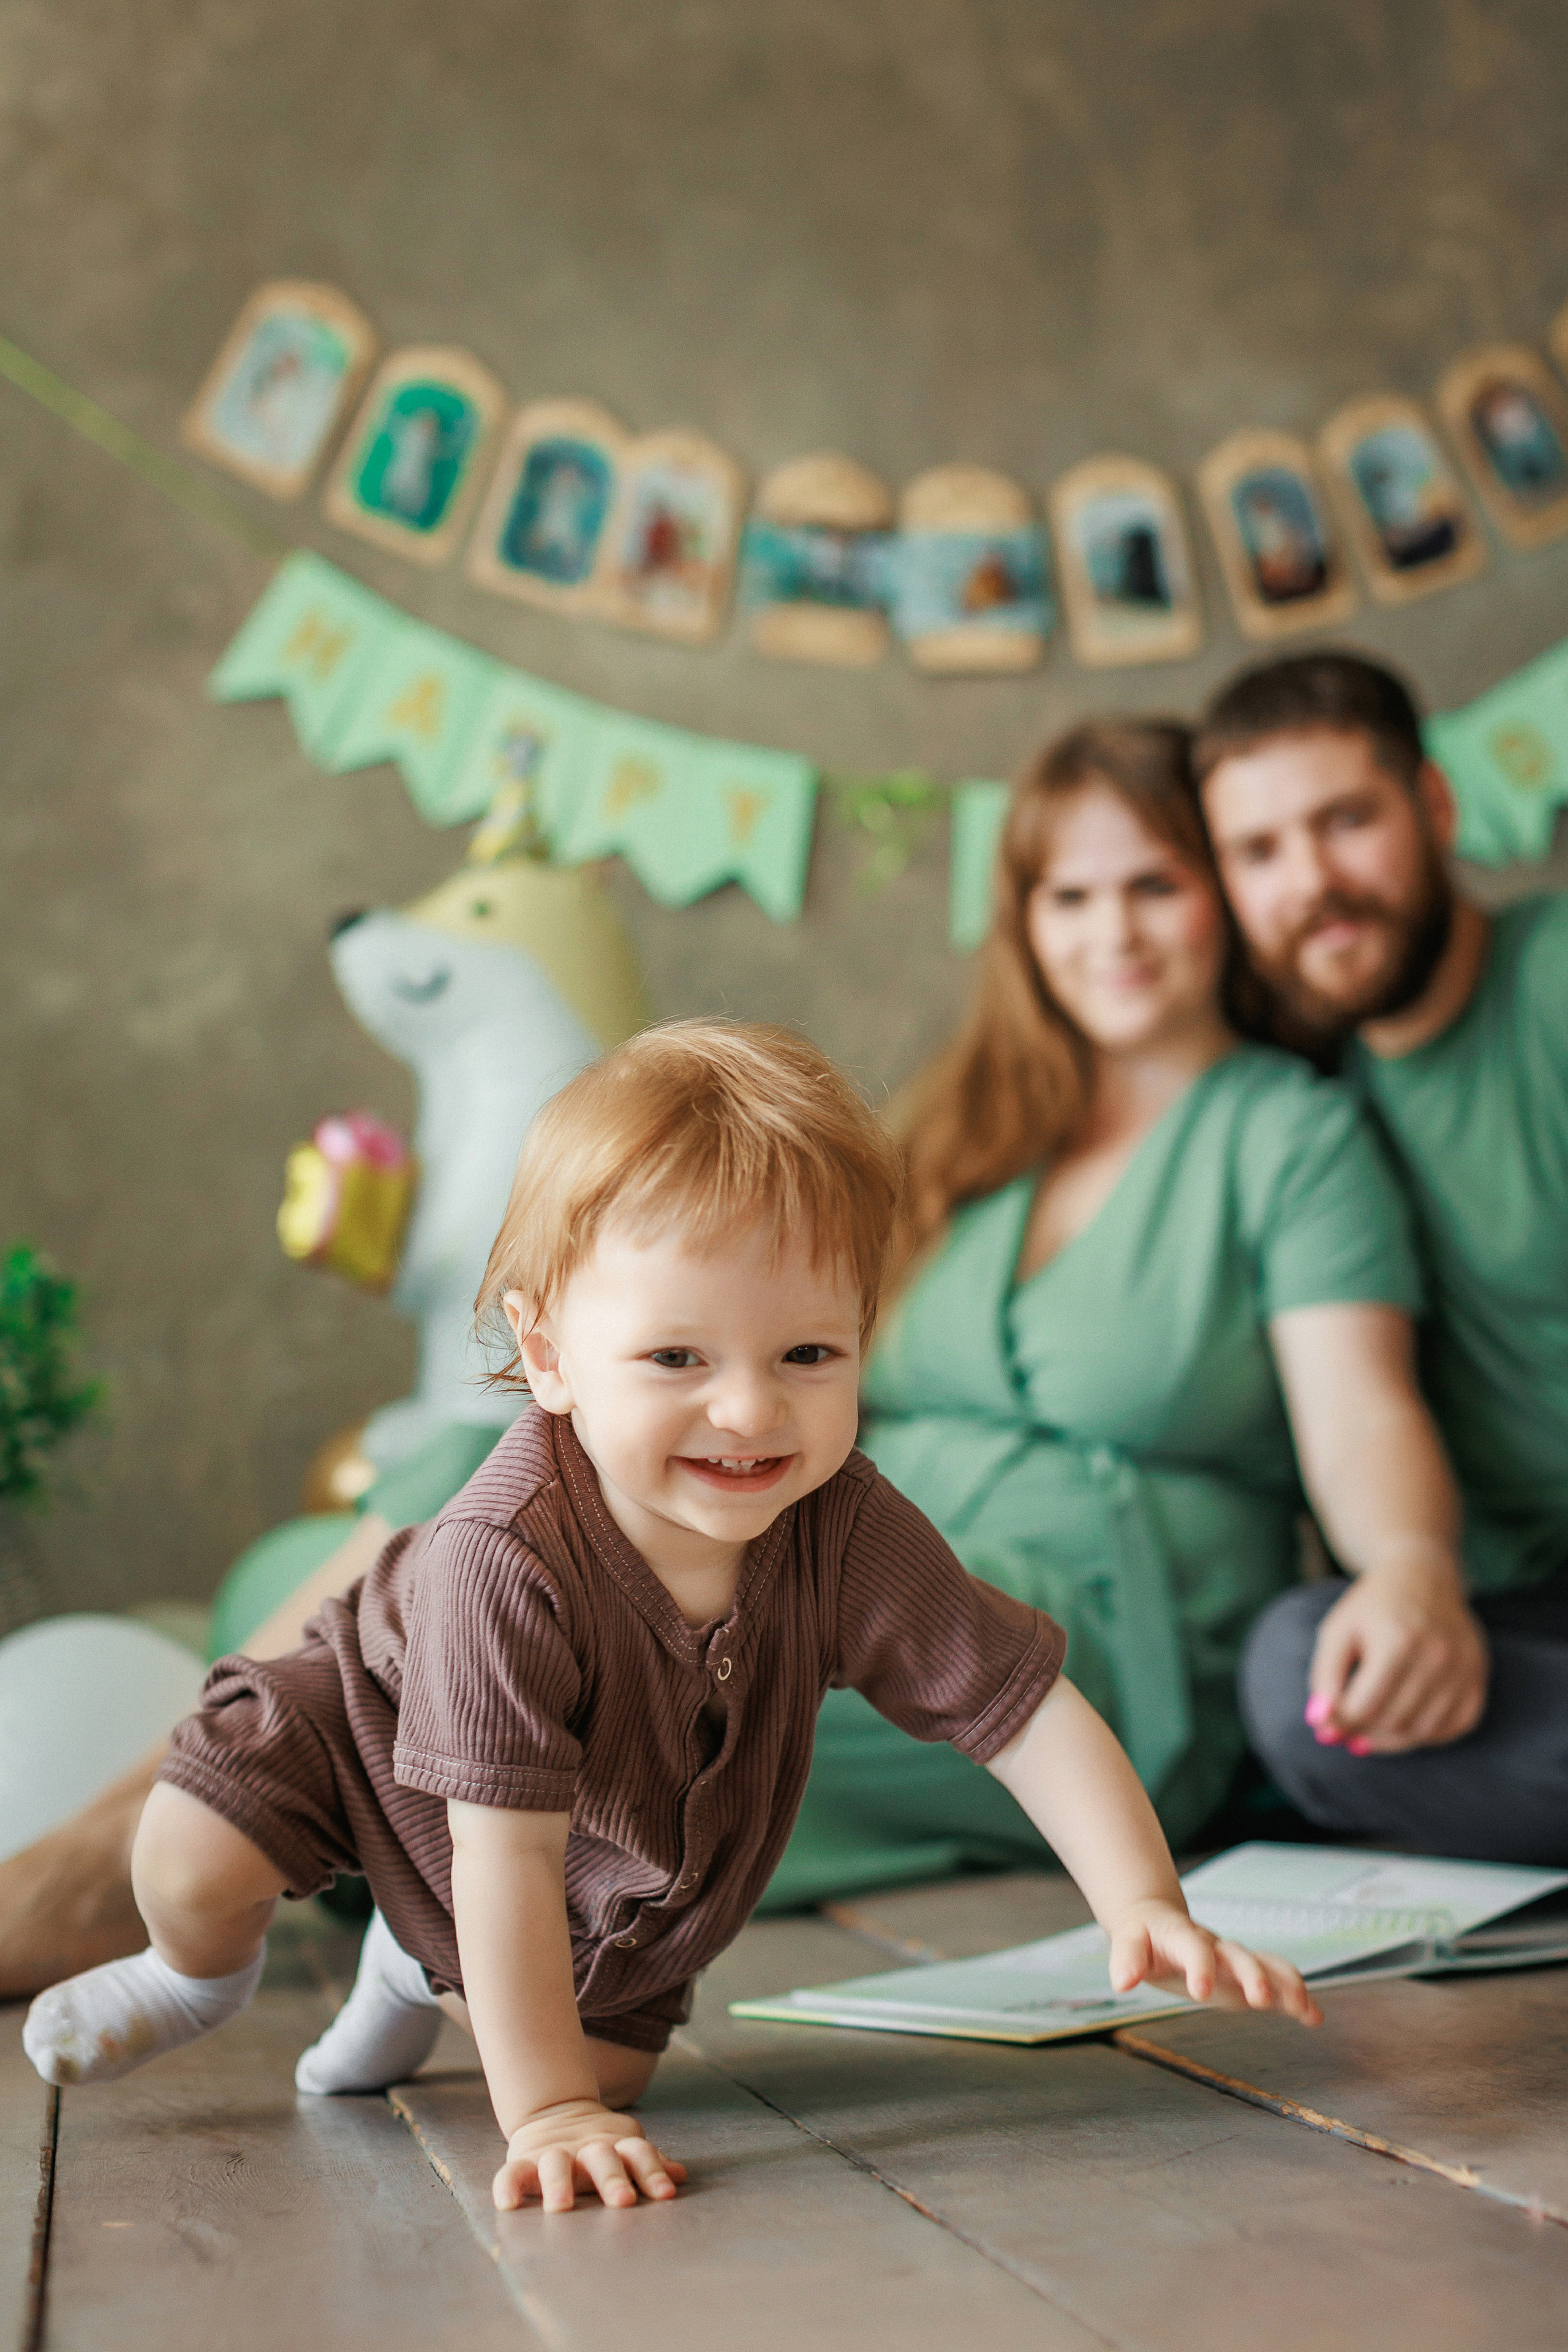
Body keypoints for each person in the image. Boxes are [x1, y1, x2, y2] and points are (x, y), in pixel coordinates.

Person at [21, 1022, 1317, 2211]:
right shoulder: (503, 1556)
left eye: (808, 1355)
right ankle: (198, 1973)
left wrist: (1140, 1896)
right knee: (187, 1858)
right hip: (361, 1724)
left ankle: (412, 1971)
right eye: (677, 1359)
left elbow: (1018, 1709)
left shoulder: (843, 1522)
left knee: (612, 2064)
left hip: (587, 1830)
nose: (750, 1414)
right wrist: (545, 2117)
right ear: (546, 1356)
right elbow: (504, 1859)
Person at [767, 720, 1466, 1907]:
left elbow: (1359, 1412)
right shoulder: (966, 1130)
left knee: (643, 1677)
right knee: (499, 1532)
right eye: (1068, 896)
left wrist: (1406, 1565)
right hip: (860, 1564)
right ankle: (428, 1817)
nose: (1111, 935)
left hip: (1096, 1649)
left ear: (1226, 898)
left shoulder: (1288, 1135)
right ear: (1023, 924)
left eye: (1153, 885)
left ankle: (432, 1809)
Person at [1196, 651, 1568, 1863]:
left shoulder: (1548, 980)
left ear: (1434, 805)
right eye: (1257, 853)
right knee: (1299, 1678)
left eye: (1344, 820)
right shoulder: (1296, 1111)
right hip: (1517, 1624)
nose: (1311, 883)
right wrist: (1408, 1586)